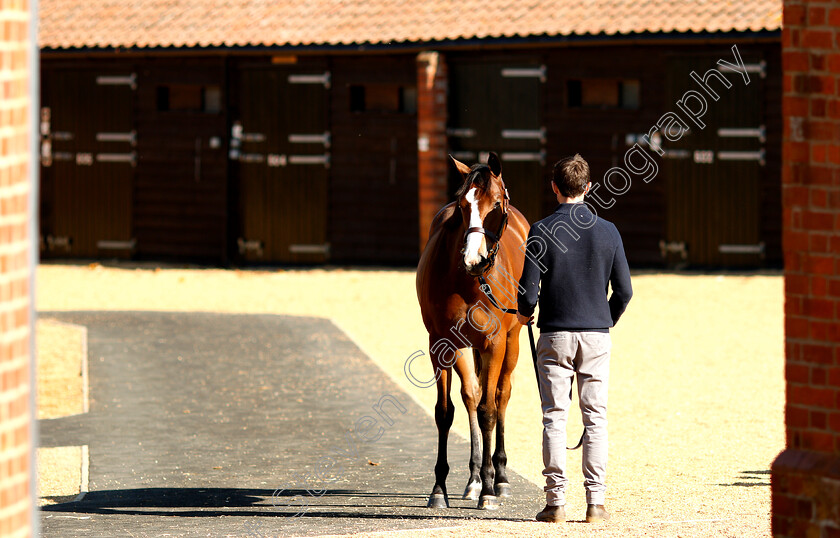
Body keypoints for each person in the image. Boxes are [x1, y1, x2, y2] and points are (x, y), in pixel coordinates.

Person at [516, 154, 632, 524]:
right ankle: (595, 504)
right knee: (595, 418)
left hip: (554, 334)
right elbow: (625, 291)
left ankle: (555, 504)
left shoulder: (540, 230)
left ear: (554, 187)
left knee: (554, 417)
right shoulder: (609, 231)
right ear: (588, 188)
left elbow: (528, 296)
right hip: (596, 334)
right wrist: (605, 320)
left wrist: (523, 313)